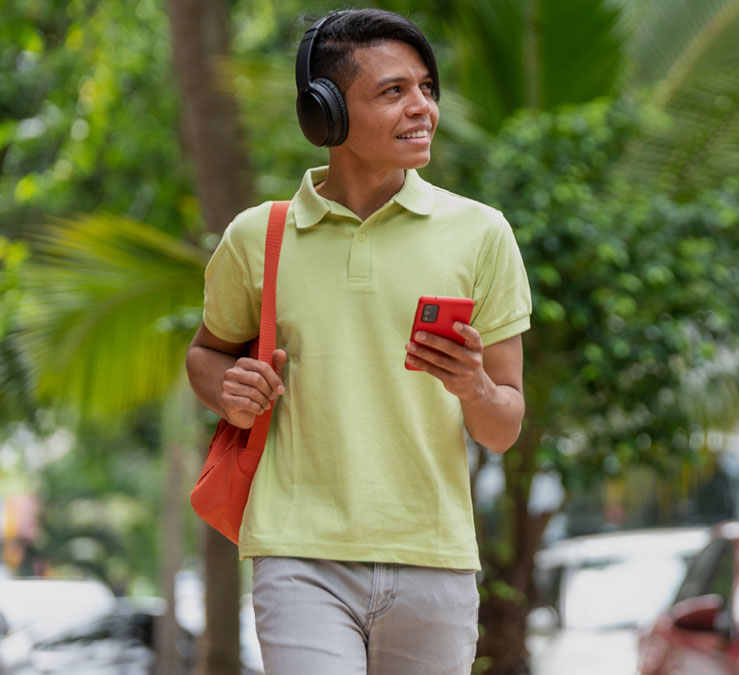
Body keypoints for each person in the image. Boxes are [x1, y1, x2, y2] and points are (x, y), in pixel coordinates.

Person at [185, 9, 530, 674]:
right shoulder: (258, 237)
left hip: (434, 555)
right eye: (393, 91)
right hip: (299, 551)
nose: (422, 108)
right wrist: (229, 392)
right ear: (326, 113)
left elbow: (504, 425)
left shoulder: (482, 234)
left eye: (427, 88)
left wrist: (474, 386)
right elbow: (206, 352)